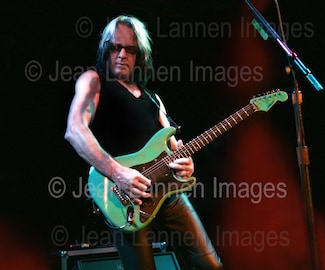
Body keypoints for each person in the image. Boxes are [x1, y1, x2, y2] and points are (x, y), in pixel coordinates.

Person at [64, 14, 223, 270]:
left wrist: (186, 165)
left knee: (210, 266)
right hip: (125, 196)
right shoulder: (95, 81)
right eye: (116, 47)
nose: (122, 55)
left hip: (168, 195)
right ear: (107, 48)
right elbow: (74, 130)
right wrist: (118, 173)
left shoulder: (153, 98)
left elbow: (174, 149)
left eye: (130, 49)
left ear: (140, 55)